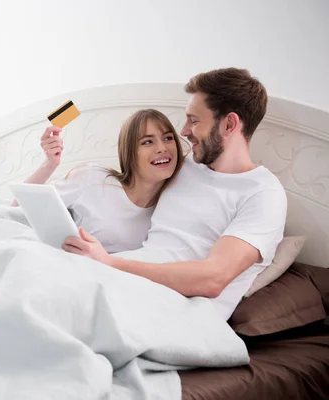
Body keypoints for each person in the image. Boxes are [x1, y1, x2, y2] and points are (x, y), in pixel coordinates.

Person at [62, 68, 288, 320]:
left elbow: (213, 279)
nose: (184, 130)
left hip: (177, 308)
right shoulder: (184, 167)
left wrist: (110, 264)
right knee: (29, 265)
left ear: (229, 124)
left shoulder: (263, 194)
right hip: (126, 281)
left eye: (194, 120)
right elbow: (131, 184)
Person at [14, 109, 185, 253]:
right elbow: (17, 210)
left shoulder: (170, 212)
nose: (162, 148)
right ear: (129, 151)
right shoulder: (92, 178)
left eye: (168, 138)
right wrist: (49, 164)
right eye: (147, 142)